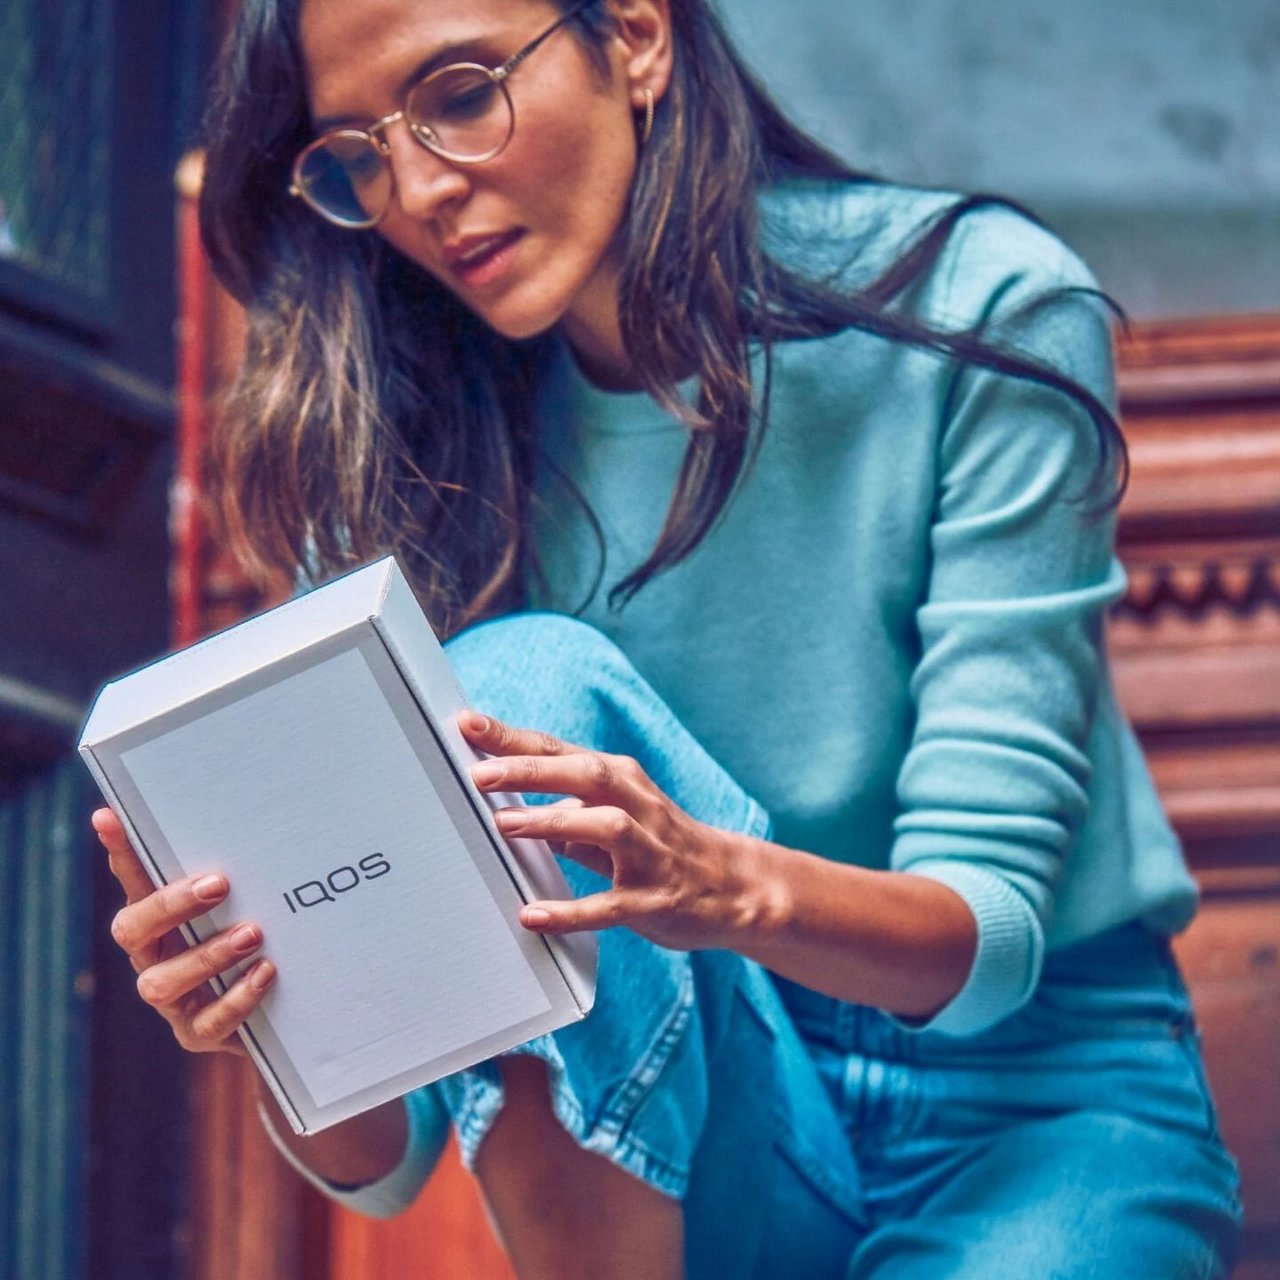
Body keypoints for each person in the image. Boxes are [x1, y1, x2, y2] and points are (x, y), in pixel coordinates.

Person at [93, 1, 1244, 1276]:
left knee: (515, 699)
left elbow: (988, 947)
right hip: (705, 1114)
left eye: (462, 93)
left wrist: (719, 881)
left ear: (634, 36)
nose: (418, 190)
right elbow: (402, 1146)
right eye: (357, 155)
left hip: (1036, 1107)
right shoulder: (391, 454)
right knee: (517, 685)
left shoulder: (976, 307)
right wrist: (276, 1012)